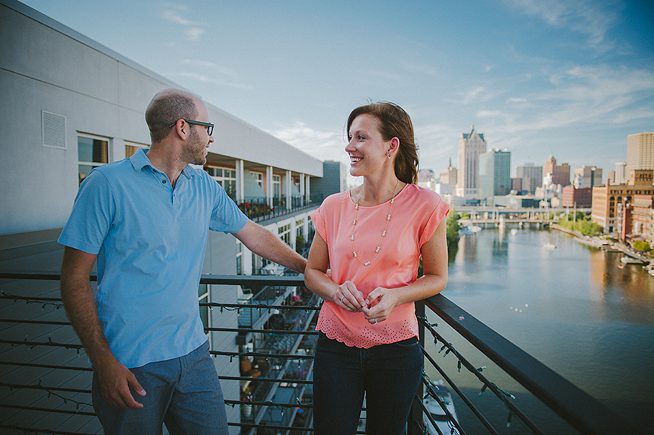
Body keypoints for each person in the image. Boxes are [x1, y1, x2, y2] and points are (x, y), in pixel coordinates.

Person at [58, 89, 307, 434]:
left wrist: (309, 269)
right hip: (130, 363)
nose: (211, 137)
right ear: (183, 128)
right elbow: (73, 278)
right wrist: (103, 361)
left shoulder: (203, 185)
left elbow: (253, 233)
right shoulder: (106, 185)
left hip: (193, 356)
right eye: (207, 127)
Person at [305, 102, 449, 434]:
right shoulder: (333, 206)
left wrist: (397, 296)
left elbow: (438, 277)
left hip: (396, 353)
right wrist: (336, 291)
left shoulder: (426, 205)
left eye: (360, 138)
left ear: (391, 146)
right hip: (336, 346)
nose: (349, 147)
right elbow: (312, 272)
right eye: (349, 137)